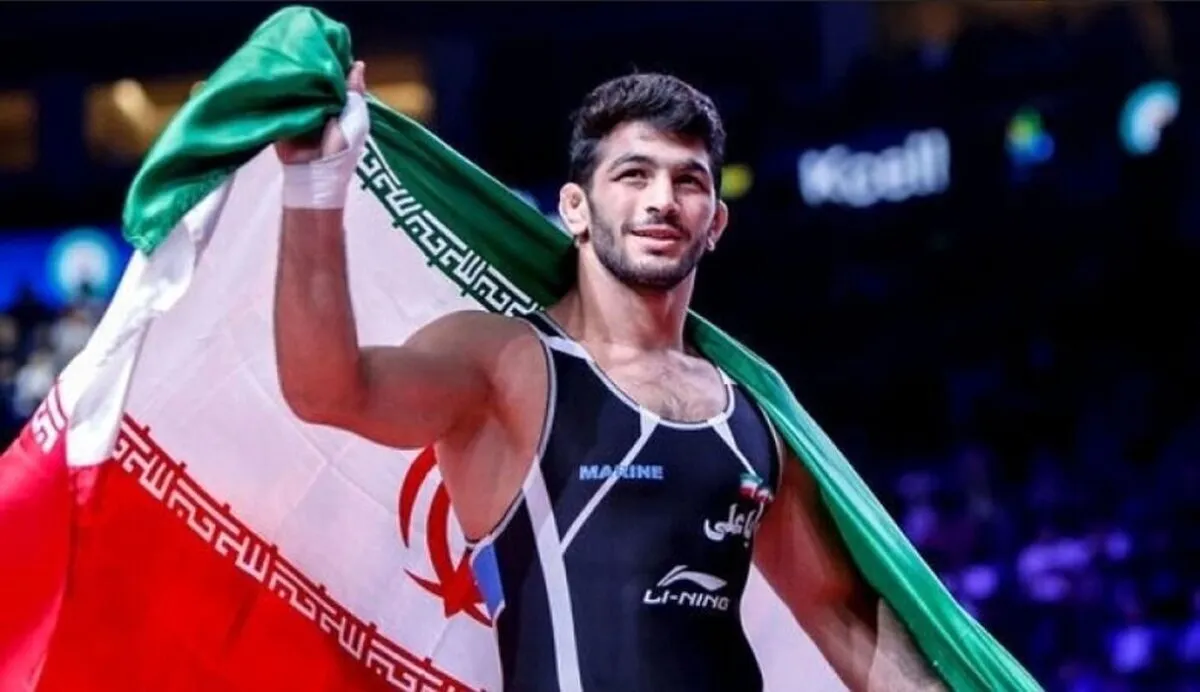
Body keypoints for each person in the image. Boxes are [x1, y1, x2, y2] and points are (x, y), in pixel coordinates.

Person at [272, 61, 944, 692]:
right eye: (633, 175)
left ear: (716, 222)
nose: (663, 201)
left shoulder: (754, 421)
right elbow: (328, 391)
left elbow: (839, 615)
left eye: (689, 181)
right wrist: (313, 186)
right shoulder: (507, 364)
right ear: (575, 208)